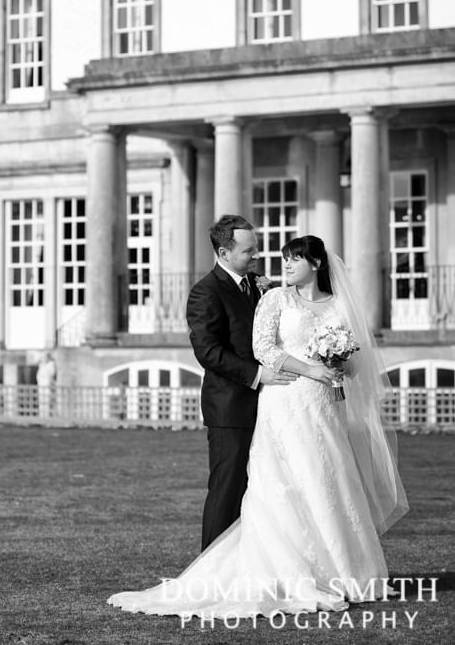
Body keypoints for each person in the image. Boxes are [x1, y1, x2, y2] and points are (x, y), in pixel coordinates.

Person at [108, 235, 408, 619]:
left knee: (327, 480)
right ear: (225, 252)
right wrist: (311, 368)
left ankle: (339, 571)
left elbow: (351, 363)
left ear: (316, 264)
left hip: (323, 406)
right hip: (281, 399)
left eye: (293, 259)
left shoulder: (329, 304)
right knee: (271, 486)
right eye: (254, 251)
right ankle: (242, 568)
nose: (275, 263)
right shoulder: (269, 298)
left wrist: (337, 363)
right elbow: (262, 350)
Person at [185, 214, 297, 550]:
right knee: (227, 489)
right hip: (229, 409)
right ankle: (210, 568)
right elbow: (208, 352)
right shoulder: (205, 292)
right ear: (224, 252)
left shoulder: (258, 285)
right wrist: (260, 375)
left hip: (267, 407)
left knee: (261, 488)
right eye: (249, 251)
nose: (257, 257)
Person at [35, 351, 57, 417]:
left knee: (47, 402)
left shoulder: (51, 364)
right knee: (42, 402)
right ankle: (42, 416)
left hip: (47, 385)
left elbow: (50, 375)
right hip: (41, 385)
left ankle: (46, 416)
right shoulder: (43, 365)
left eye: (45, 357)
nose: (43, 359)